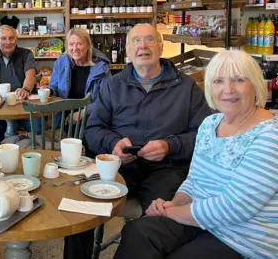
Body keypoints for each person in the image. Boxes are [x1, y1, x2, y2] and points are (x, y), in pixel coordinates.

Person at [64, 23, 212, 259]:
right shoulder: (113, 85)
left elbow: (205, 137)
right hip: (121, 166)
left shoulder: (186, 88)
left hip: (168, 169)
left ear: (161, 47)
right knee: (79, 208)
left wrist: (169, 146)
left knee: (154, 225)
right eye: (135, 41)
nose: (143, 46)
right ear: (128, 52)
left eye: (150, 40)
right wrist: (113, 143)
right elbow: (93, 129)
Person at [115, 50, 278, 259]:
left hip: (244, 239)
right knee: (138, 232)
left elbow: (234, 207)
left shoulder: (269, 135)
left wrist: (172, 213)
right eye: (218, 81)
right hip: (200, 222)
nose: (228, 89)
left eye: (238, 80)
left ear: (255, 84)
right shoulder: (210, 124)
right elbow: (194, 181)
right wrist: (173, 204)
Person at [0, 25, 40, 150]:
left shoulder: (26, 54)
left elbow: (31, 75)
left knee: (37, 126)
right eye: (4, 38)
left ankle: (30, 156)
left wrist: (26, 89)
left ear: (16, 39)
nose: (8, 42)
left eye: (11, 38)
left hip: (23, 104)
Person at [47, 27, 111, 128]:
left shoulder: (101, 67)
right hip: (64, 116)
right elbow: (54, 87)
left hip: (91, 117)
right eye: (71, 44)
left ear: (88, 46)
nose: (75, 48)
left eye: (79, 44)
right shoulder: (61, 62)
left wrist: (82, 113)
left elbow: (106, 100)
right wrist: (48, 91)